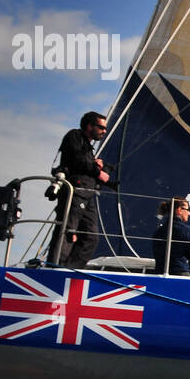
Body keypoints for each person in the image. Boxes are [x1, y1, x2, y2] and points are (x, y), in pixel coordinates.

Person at [49, 111, 110, 267]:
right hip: (74, 192)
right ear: (90, 126)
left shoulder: (88, 147)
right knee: (68, 231)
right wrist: (98, 171)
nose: (104, 131)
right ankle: (56, 267)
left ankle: (71, 268)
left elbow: (84, 162)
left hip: (87, 195)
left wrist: (97, 166)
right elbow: (77, 159)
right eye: (101, 127)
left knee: (91, 236)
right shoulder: (74, 136)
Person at [153, 197, 190, 275]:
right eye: (187, 210)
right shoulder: (186, 230)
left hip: (159, 273)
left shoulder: (159, 231)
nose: (189, 213)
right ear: (179, 210)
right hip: (180, 274)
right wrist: (183, 268)